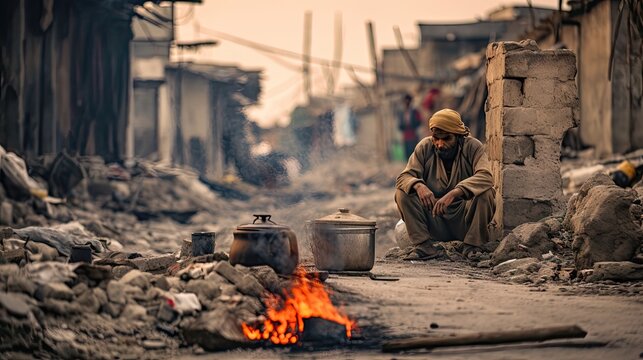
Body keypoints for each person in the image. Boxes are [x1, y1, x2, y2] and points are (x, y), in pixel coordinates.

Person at [394, 108, 495, 260]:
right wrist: (418, 185)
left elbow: (486, 176)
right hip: (434, 218)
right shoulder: (425, 147)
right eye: (436, 138)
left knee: (486, 193)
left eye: (446, 138)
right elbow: (404, 177)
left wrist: (456, 192)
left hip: (464, 221)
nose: (440, 144)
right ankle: (424, 246)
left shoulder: (473, 147)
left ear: (459, 137)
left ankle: (473, 246)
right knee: (402, 193)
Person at [397, 94, 423, 159]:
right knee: (407, 152)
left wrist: (413, 126)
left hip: (413, 133)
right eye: (405, 101)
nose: (406, 103)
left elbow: (419, 121)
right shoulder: (402, 112)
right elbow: (400, 125)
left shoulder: (414, 111)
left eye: (408, 101)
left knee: (414, 151)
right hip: (405, 135)